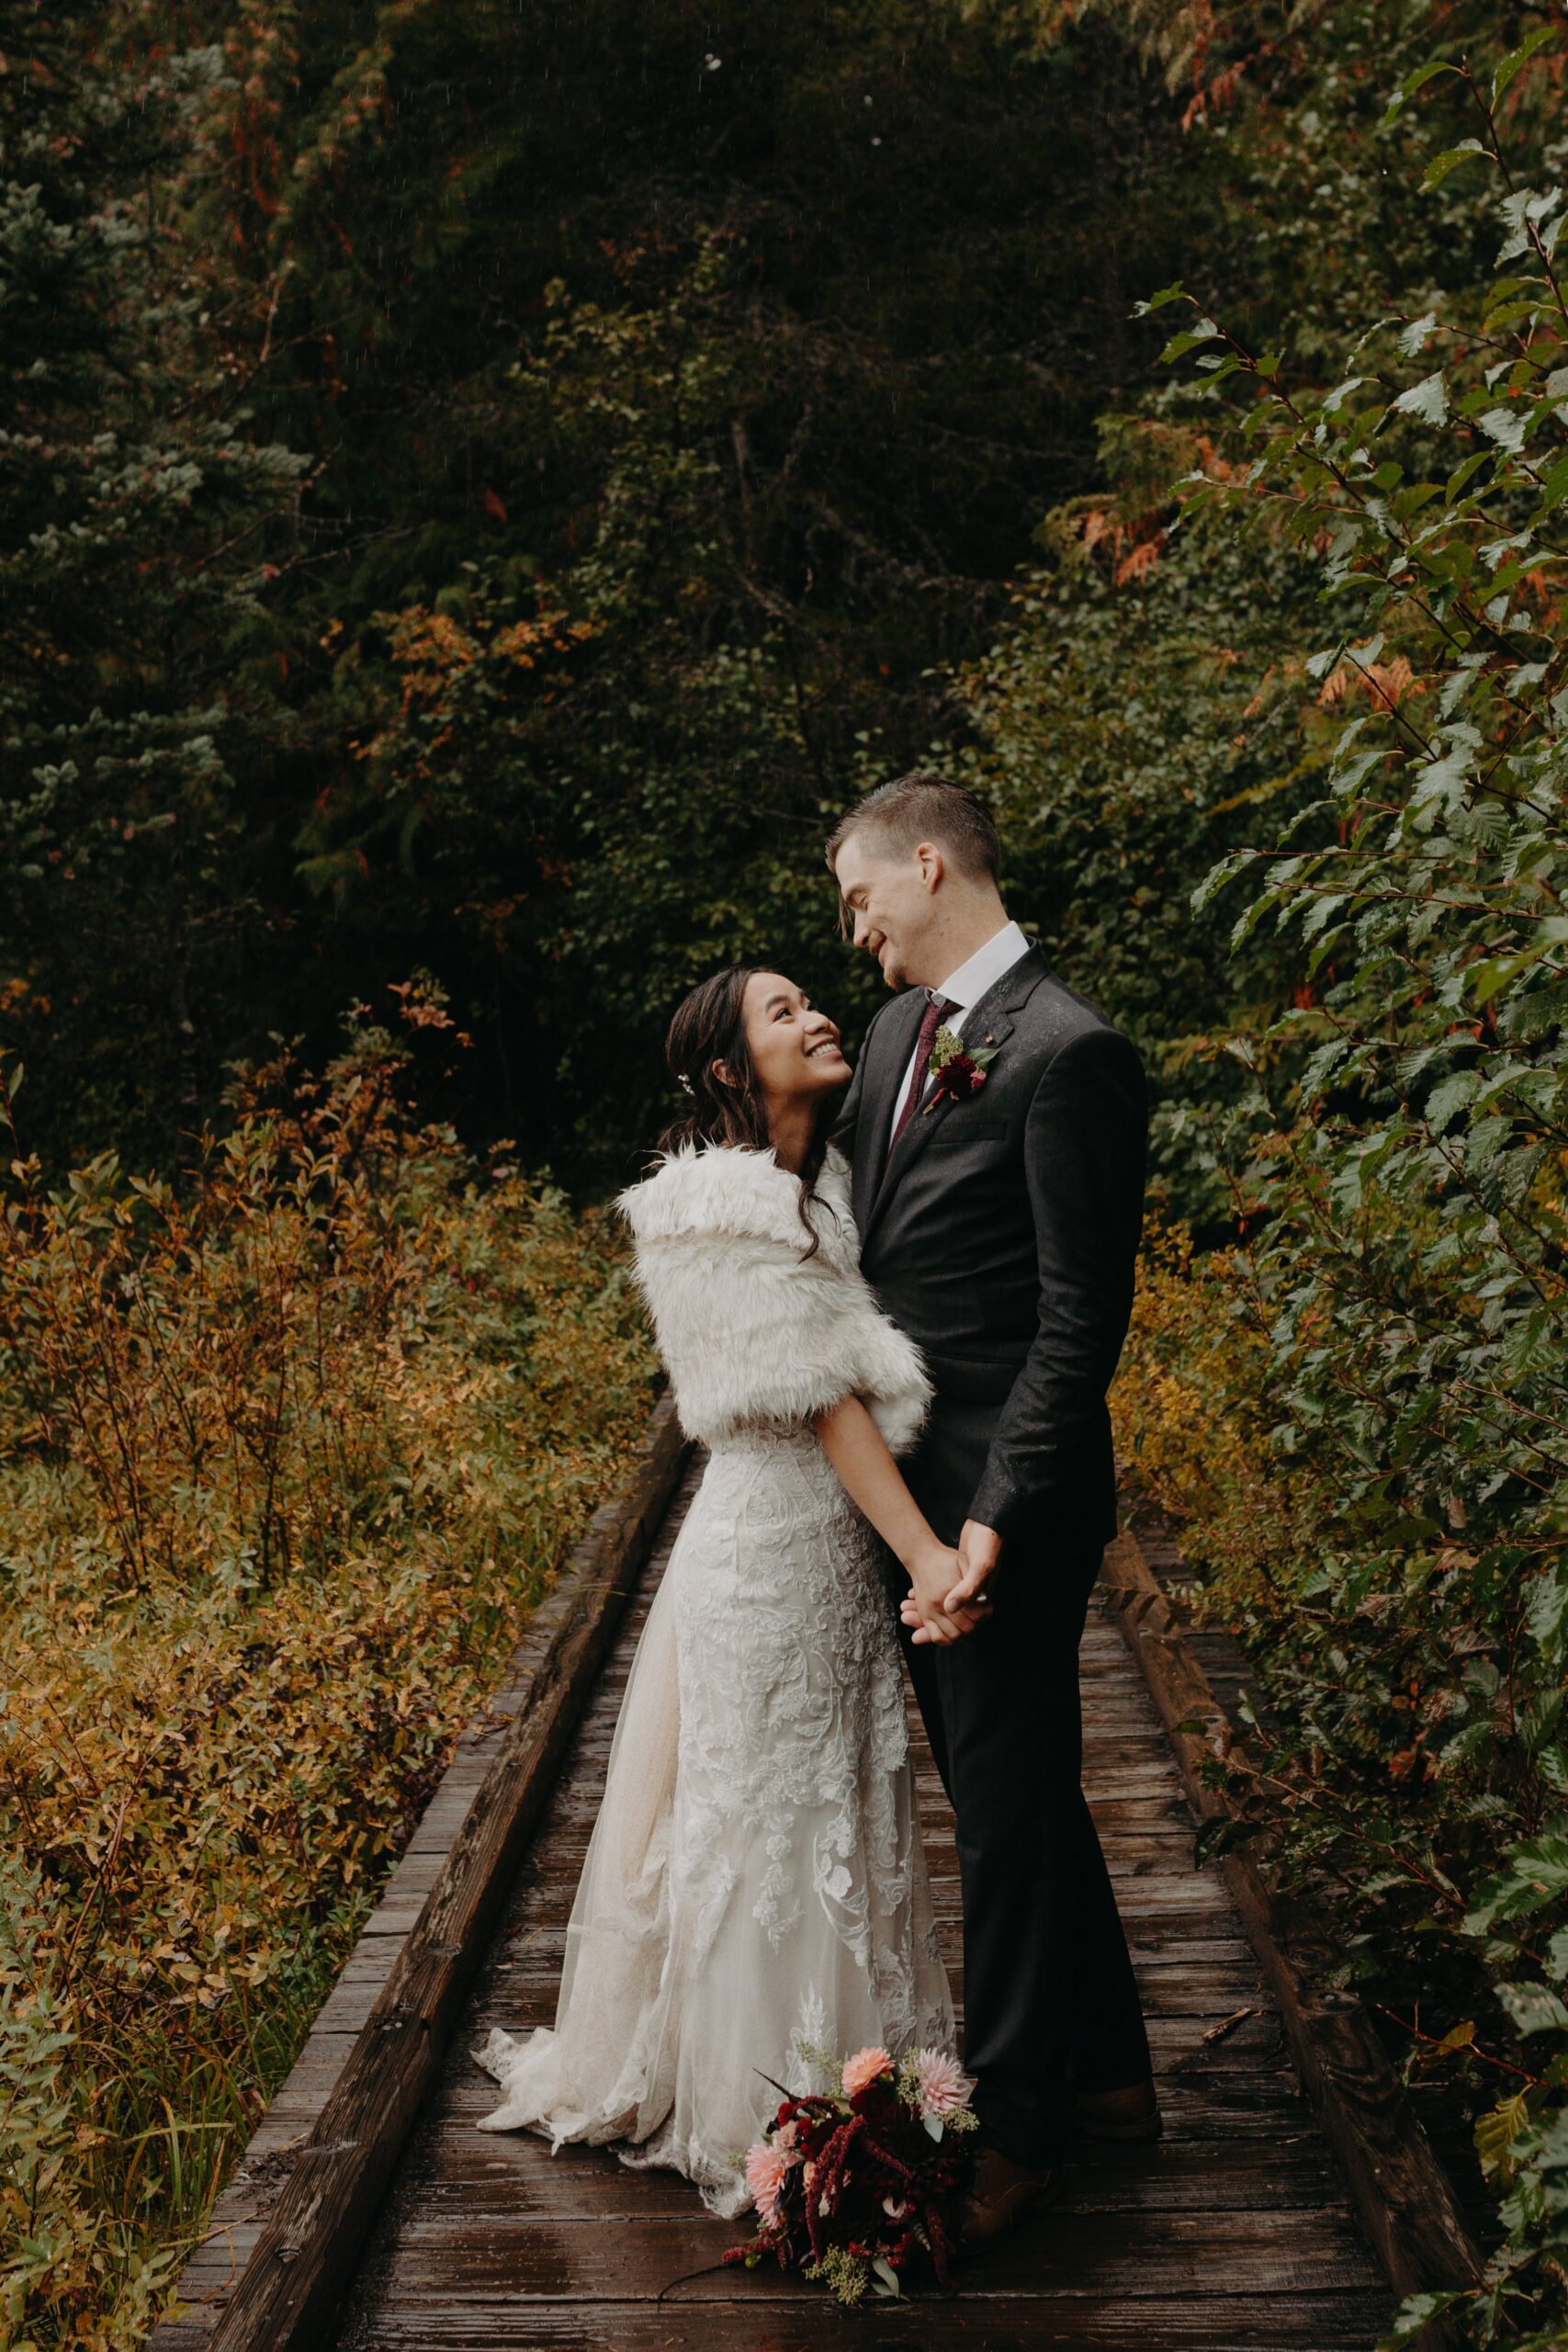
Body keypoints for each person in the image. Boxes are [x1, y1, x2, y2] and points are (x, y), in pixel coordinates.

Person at [473, 963, 964, 2218]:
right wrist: (927, 1555)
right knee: (769, 1813)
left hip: (827, 1555)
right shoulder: (705, 1212)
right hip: (762, 1551)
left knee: (846, 1793)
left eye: (813, 1000)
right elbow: (828, 1402)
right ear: (727, 1072)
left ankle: (870, 2080)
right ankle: (775, 2099)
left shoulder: (826, 1188)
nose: (817, 1018)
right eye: (783, 1013)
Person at [829, 771, 1158, 2250]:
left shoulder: (1071, 1051)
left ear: (927, 862)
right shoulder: (901, 1032)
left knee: (1008, 1813)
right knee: (1004, 1789)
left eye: (860, 896)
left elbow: (1081, 1323)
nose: (857, 931)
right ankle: (1109, 2079)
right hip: (913, 1487)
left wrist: (995, 1520)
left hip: (1006, 1502)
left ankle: (1022, 2129)